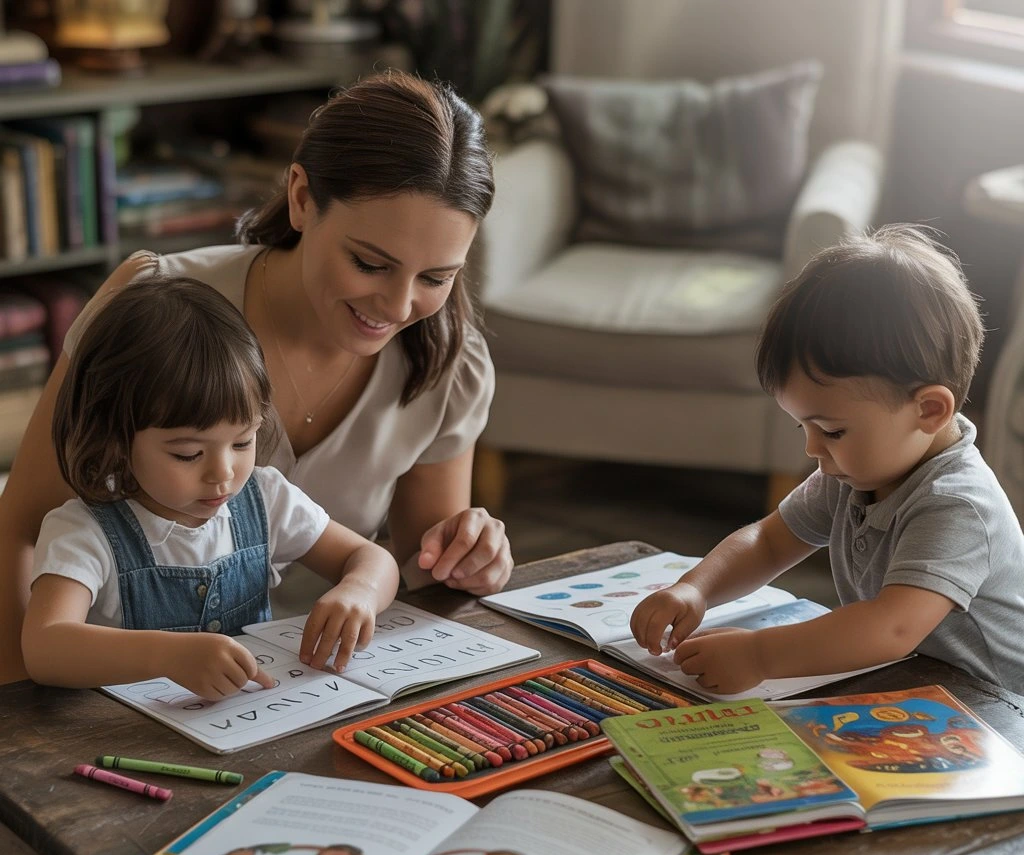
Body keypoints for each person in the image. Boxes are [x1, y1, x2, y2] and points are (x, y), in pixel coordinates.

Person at [0, 69, 511, 686]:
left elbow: (415, 568)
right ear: (301, 196)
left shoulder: (444, 358)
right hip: (111, 684)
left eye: (437, 277)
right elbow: (19, 530)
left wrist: (471, 557)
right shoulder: (153, 310)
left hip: (299, 686)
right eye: (370, 263)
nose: (399, 307)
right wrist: (20, 727)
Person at [630, 224, 1024, 694]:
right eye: (805, 427)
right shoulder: (857, 471)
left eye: (832, 430)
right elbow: (769, 542)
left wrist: (760, 654)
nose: (813, 449)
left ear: (929, 410)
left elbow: (892, 628)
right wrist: (696, 589)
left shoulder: (956, 504)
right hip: (913, 684)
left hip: (998, 710)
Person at [22, 277, 400, 695]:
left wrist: (360, 589)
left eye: (243, 442)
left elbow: (371, 557)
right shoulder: (84, 532)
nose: (223, 473)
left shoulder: (265, 499)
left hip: (252, 726)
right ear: (116, 437)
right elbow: (45, 646)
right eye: (187, 454)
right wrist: (166, 656)